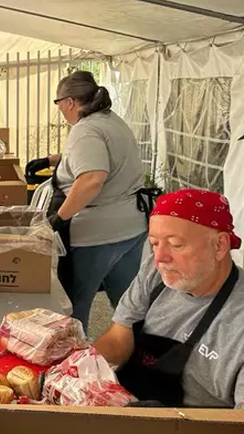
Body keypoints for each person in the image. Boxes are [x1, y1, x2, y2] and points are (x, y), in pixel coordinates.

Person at [94, 189, 244, 408]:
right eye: (154, 243)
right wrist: (83, 371)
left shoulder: (237, 322)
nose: (160, 258)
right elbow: (119, 336)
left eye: (175, 244)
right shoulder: (155, 274)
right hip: (128, 404)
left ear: (220, 245)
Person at [28, 71, 147, 332]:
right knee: (128, 304)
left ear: (69, 102)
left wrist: (60, 217)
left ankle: (76, 362)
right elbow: (97, 156)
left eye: (58, 103)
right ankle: (140, 358)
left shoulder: (85, 130)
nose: (59, 109)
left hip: (95, 234)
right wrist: (50, 161)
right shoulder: (111, 121)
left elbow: (92, 178)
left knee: (73, 305)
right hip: (130, 228)